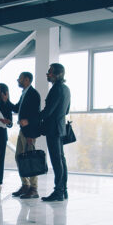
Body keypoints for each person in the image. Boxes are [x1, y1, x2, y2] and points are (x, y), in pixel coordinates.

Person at [40, 63, 71, 202]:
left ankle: (58, 192)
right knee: (61, 160)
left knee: (56, 161)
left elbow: (47, 111)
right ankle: (63, 190)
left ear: (57, 74)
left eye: (50, 72)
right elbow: (66, 110)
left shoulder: (56, 89)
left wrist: (33, 119)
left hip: (53, 129)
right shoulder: (66, 89)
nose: (47, 74)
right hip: (60, 128)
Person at [11, 72, 41, 199]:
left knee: (31, 159)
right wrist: (6, 101)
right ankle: (25, 185)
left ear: (27, 80)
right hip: (22, 130)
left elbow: (37, 114)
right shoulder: (24, 94)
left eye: (20, 79)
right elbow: (17, 109)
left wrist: (28, 122)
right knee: (19, 157)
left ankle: (34, 188)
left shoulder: (33, 94)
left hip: (30, 131)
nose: (18, 80)